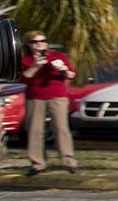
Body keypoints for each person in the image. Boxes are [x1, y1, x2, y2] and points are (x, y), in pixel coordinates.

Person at [17, 31, 78, 175]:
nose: (40, 44)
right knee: (35, 130)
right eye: (35, 42)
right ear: (29, 45)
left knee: (61, 128)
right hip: (35, 97)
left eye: (42, 41)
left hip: (57, 96)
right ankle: (37, 164)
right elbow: (24, 78)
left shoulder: (58, 56)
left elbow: (71, 74)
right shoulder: (25, 60)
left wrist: (63, 69)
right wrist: (35, 66)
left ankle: (69, 161)